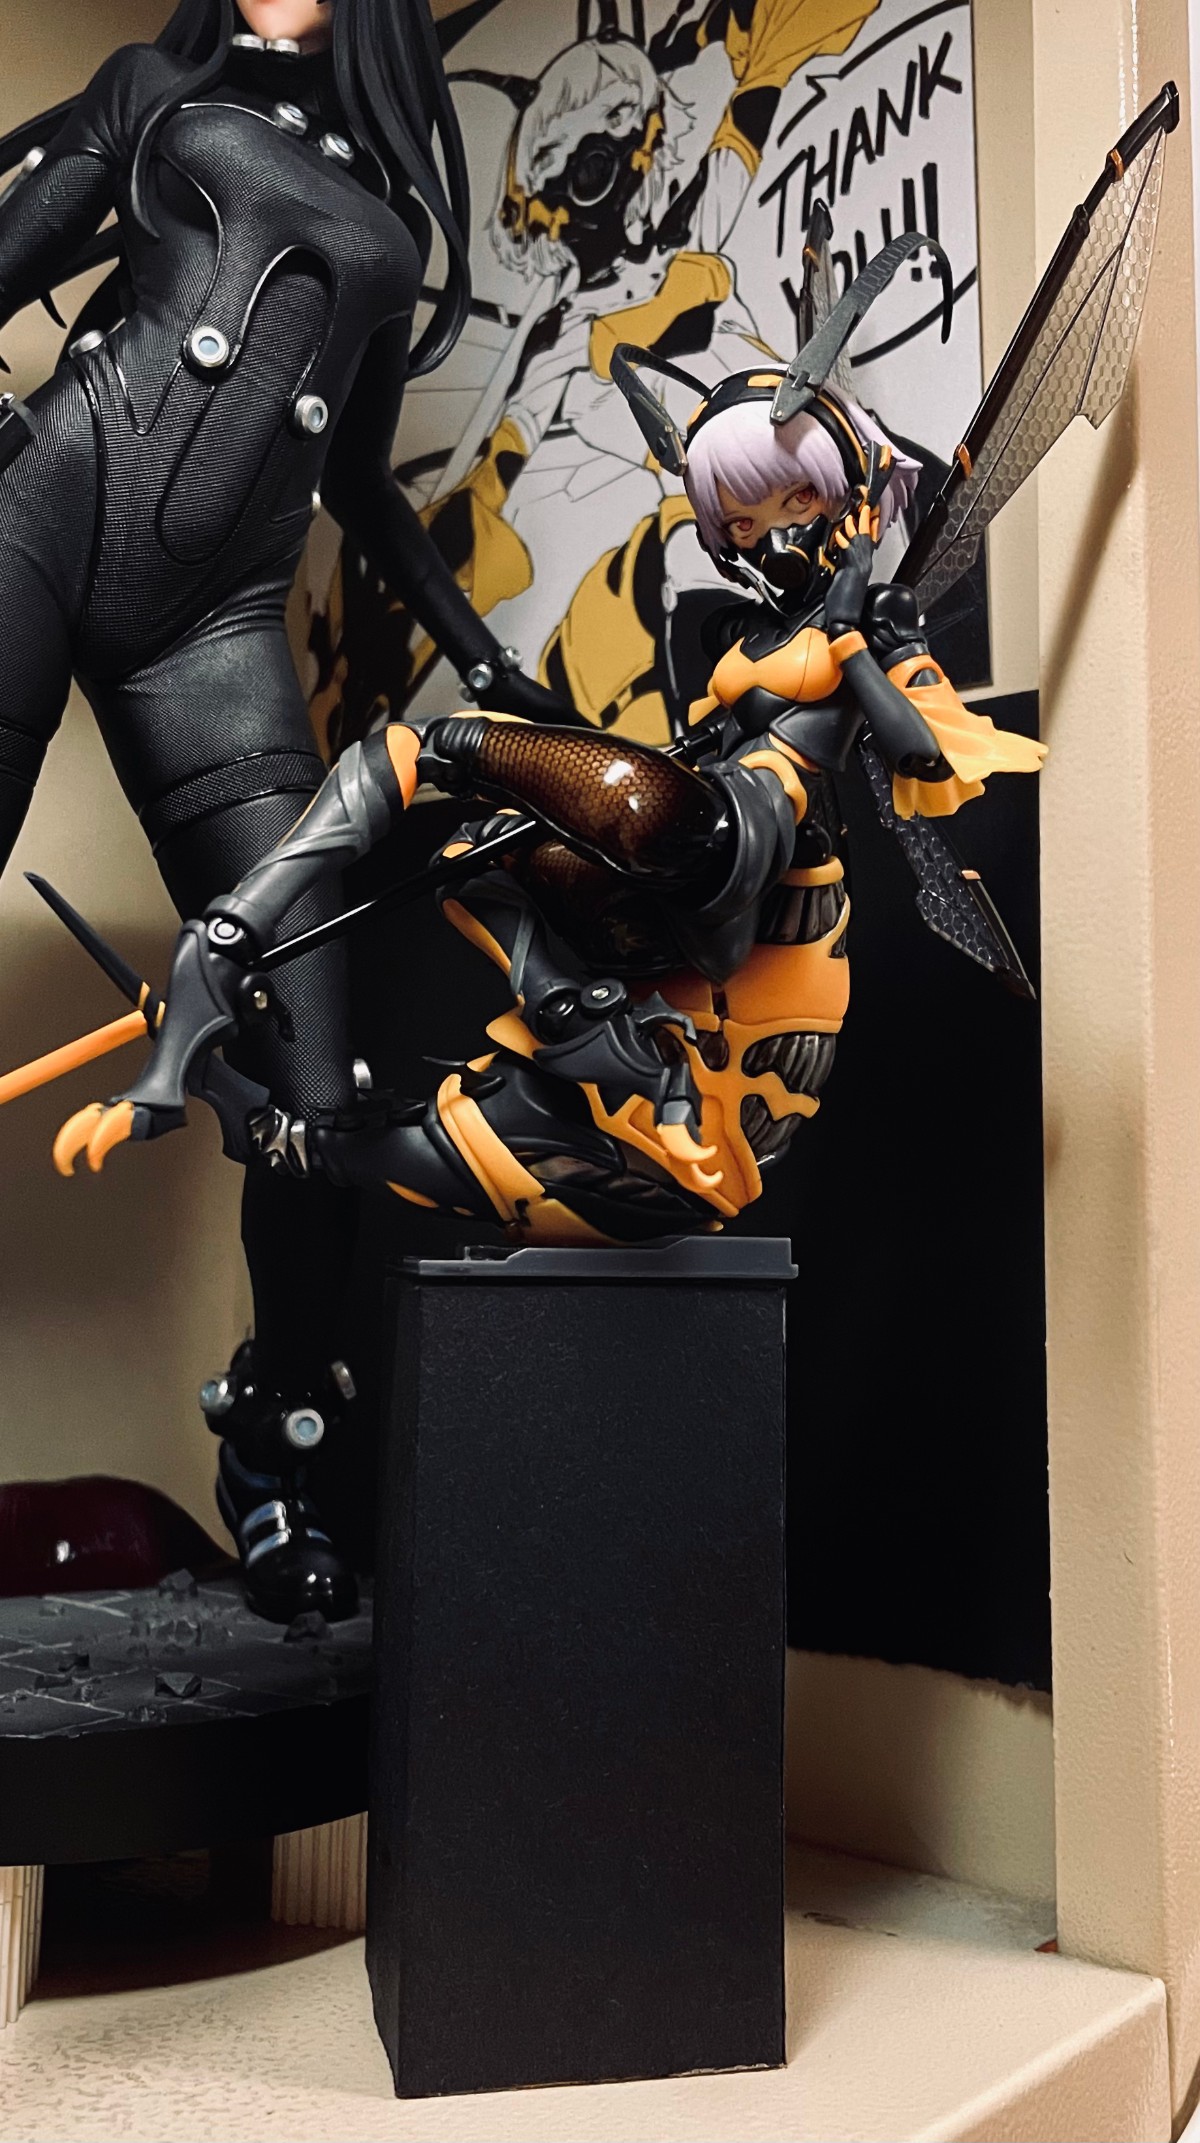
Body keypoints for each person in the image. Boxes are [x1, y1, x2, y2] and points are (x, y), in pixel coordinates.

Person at [0, 0, 571, 1621]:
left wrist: (493, 671)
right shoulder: (151, 89)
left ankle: (274, 1450)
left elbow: (363, 485)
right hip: (40, 516)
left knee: (325, 1090)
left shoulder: (386, 203)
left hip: (216, 635)